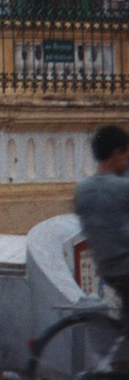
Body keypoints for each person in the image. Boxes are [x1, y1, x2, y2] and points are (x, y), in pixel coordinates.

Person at [75, 125, 129, 307]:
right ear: (116, 154)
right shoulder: (122, 187)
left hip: (105, 268)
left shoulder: (82, 189)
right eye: (126, 154)